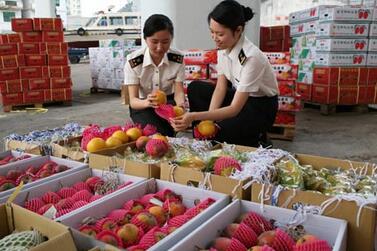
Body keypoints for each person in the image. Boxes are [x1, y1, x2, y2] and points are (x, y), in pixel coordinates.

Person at [171, 0, 279, 147]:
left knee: (221, 134)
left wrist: (194, 116)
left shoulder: (251, 57)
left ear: (238, 30)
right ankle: (206, 136)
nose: (214, 38)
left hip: (259, 107)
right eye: (212, 32)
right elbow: (221, 88)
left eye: (220, 34)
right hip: (240, 97)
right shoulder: (223, 48)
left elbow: (234, 109)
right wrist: (208, 121)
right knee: (196, 88)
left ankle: (258, 137)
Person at [124, 14, 185, 137]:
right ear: (145, 39)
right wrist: (147, 102)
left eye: (165, 42)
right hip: (142, 105)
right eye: (154, 42)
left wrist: (181, 108)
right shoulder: (134, 61)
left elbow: (178, 92)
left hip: (168, 103)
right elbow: (133, 100)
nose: (159, 47)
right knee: (156, 134)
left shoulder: (177, 59)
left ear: (171, 39)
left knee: (172, 131)